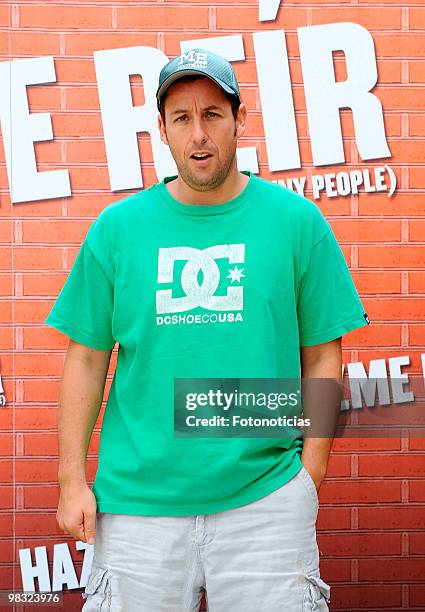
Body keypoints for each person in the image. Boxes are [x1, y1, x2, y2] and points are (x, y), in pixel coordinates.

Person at [45, 48, 370, 611]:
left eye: (213, 115)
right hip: (136, 506)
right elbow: (88, 358)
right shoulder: (118, 230)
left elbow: (323, 356)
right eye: (182, 118)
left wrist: (308, 476)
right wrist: (72, 477)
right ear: (163, 131)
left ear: (239, 120)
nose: (199, 134)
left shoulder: (295, 222)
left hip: (266, 503)